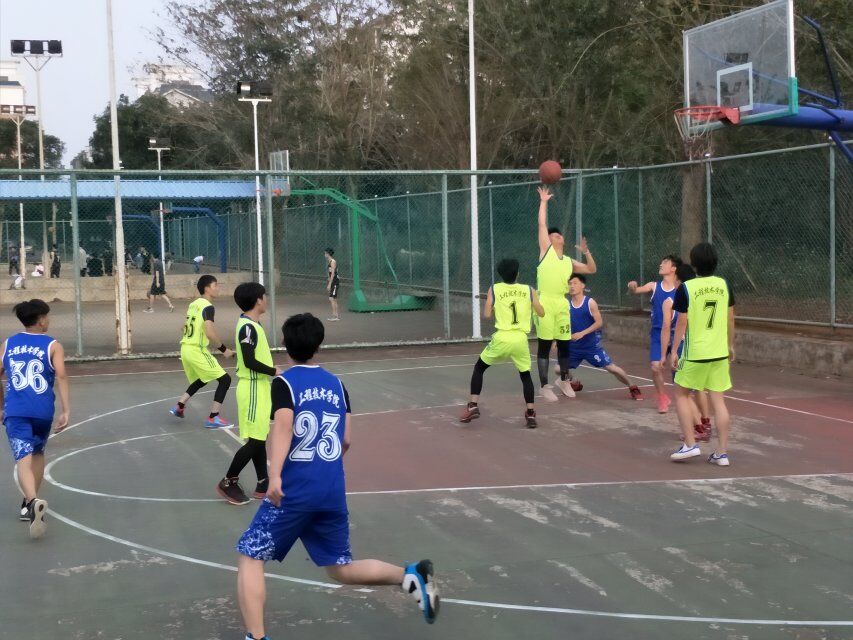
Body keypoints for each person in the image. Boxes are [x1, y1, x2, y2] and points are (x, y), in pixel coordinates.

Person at [235, 313, 439, 640]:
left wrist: (274, 476)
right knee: (340, 568)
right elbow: (345, 441)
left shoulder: (284, 383)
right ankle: (410, 575)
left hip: (294, 492)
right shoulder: (338, 386)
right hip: (330, 490)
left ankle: (256, 637)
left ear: (284, 344)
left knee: (251, 555)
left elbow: (283, 427)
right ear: (319, 345)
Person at [1, 299, 70, 539]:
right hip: (42, 412)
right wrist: (66, 410)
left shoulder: (8, 344)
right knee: (38, 453)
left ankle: (31, 502)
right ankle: (28, 503)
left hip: (16, 411)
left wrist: (1, 405)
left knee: (23, 459)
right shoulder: (53, 345)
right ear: (41, 320)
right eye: (47, 317)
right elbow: (61, 376)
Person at [669, 243, 735, 466]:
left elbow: (682, 321)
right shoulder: (724, 284)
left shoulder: (687, 288)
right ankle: (722, 453)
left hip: (695, 352)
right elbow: (730, 318)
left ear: (694, 264)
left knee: (681, 394)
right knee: (719, 400)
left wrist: (674, 350)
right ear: (715, 262)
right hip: (719, 352)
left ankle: (690, 444)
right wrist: (730, 345)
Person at [459, 258, 545, 428]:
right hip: (520, 339)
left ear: (500, 274)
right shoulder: (529, 290)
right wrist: (533, 301)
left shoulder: (494, 289)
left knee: (479, 368)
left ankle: (473, 405)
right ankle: (530, 414)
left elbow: (487, 315)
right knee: (525, 376)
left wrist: (491, 303)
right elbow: (541, 313)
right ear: (517, 273)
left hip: (502, 337)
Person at [217, 282, 279, 505]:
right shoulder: (247, 328)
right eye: (264, 295)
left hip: (259, 387)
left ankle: (263, 481)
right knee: (255, 440)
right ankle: (228, 481)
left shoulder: (253, 325)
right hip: (252, 387)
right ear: (258, 300)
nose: (266, 299)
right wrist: (275, 371)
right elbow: (250, 361)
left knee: (259, 437)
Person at [534, 186, 596, 402]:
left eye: (559, 235)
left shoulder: (568, 261)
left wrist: (586, 252)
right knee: (544, 345)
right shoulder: (546, 251)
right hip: (545, 301)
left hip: (561, 303)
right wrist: (544, 201)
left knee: (564, 343)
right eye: (554, 235)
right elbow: (542, 224)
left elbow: (591, 269)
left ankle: (564, 380)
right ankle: (544, 385)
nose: (557, 236)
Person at [170, 275, 236, 427]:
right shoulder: (208, 307)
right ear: (207, 288)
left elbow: (184, 327)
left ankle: (180, 405)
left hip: (185, 348)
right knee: (225, 380)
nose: (218, 288)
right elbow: (210, 332)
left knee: (202, 378)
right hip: (196, 350)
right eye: (215, 285)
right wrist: (224, 350)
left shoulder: (193, 304)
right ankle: (213, 417)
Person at [563, 274, 643, 399]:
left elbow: (599, 323)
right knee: (558, 368)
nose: (571, 286)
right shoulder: (566, 304)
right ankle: (574, 382)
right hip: (574, 347)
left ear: (582, 286)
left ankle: (632, 386)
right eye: (570, 283)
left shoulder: (590, 303)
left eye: (575, 283)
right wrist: (558, 340)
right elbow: (563, 324)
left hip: (591, 347)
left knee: (611, 368)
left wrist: (582, 333)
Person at [660, 263, 713, 443]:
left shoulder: (677, 298)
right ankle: (705, 423)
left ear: (678, 279)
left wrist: (671, 351)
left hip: (686, 347)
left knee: (683, 392)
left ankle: (698, 428)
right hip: (703, 346)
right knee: (698, 389)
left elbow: (673, 325)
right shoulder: (702, 294)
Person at [627, 254, 683, 413]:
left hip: (677, 334)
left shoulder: (681, 289)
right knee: (655, 367)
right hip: (658, 333)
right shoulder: (654, 286)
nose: (661, 264)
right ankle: (662, 397)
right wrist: (632, 286)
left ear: (673, 268)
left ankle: (686, 399)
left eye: (665, 262)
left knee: (678, 370)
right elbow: (635, 290)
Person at [324, 248, 340, 321]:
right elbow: (330, 272)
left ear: (328, 254)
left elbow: (333, 273)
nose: (324, 255)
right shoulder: (330, 261)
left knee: (331, 298)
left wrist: (329, 284)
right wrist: (328, 278)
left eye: (325, 253)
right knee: (334, 299)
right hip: (333, 281)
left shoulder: (333, 261)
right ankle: (336, 316)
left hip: (334, 282)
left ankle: (335, 317)